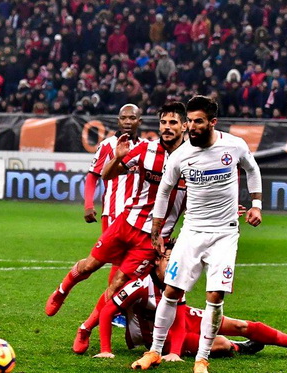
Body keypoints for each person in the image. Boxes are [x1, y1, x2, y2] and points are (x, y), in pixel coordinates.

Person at [132, 95, 263, 373]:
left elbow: (252, 169)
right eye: (189, 121)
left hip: (224, 233)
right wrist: (156, 229)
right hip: (191, 231)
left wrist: (256, 204)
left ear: (212, 122)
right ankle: (154, 351)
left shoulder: (234, 145)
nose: (191, 127)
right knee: (172, 290)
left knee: (215, 295)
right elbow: (164, 191)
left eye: (198, 121)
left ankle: (202, 359)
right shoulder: (181, 155)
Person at [45, 103, 188, 356]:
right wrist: (118, 158)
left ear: (184, 126)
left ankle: (86, 328)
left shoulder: (193, 159)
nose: (167, 128)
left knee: (118, 283)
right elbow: (107, 175)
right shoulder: (146, 149)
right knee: (90, 266)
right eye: (163, 123)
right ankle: (62, 290)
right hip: (126, 223)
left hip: (152, 239)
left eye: (173, 123)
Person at [91, 245, 287, 358]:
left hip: (184, 321)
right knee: (222, 344)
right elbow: (107, 311)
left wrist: (175, 354)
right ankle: (238, 347)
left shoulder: (177, 283)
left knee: (240, 325)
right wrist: (105, 350)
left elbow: (180, 319)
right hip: (163, 337)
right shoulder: (140, 286)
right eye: (169, 259)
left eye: (176, 260)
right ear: (157, 261)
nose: (173, 265)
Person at [82, 103, 144, 328]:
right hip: (113, 212)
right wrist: (88, 205)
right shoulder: (108, 145)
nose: (127, 121)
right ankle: (115, 310)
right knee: (118, 262)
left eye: (132, 118)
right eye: (123, 118)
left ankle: (124, 308)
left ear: (139, 121)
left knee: (134, 263)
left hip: (138, 214)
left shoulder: (146, 147)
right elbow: (93, 175)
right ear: (118, 121)